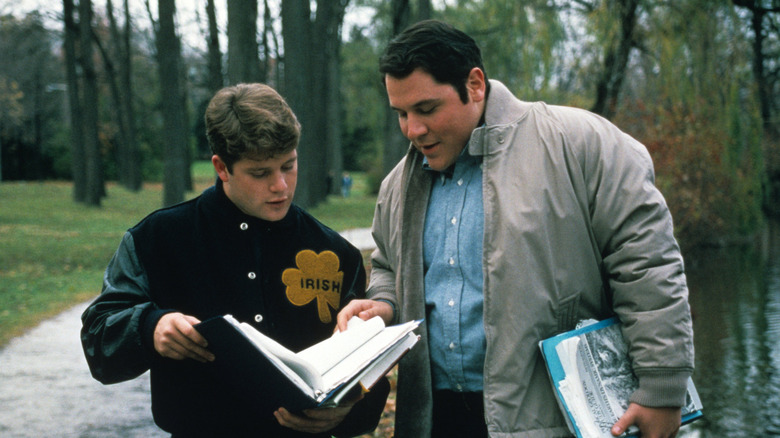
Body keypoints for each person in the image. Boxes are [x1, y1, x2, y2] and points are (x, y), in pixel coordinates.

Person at [337, 20, 694, 438]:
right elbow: (387, 267)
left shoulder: (581, 143)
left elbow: (647, 266)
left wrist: (661, 388)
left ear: (475, 84)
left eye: (427, 109)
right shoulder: (398, 184)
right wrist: (384, 303)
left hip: (557, 421)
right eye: (401, 113)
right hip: (436, 420)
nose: (412, 130)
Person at [81, 83, 388, 437]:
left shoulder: (336, 252)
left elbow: (366, 365)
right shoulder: (158, 239)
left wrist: (348, 411)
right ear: (222, 167)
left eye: (289, 165)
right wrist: (150, 327)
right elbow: (98, 340)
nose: (281, 186)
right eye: (260, 173)